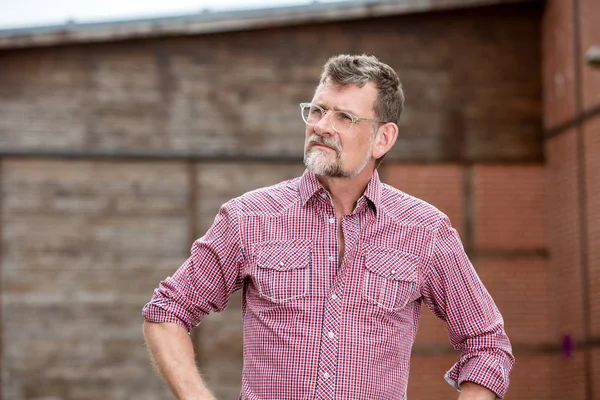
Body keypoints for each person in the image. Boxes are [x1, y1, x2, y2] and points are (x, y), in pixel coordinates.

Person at [142, 54, 514, 400]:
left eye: (344, 117)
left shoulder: (425, 231)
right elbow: (167, 312)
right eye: (317, 111)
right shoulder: (248, 217)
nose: (321, 126)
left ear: (383, 138)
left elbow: (486, 344)